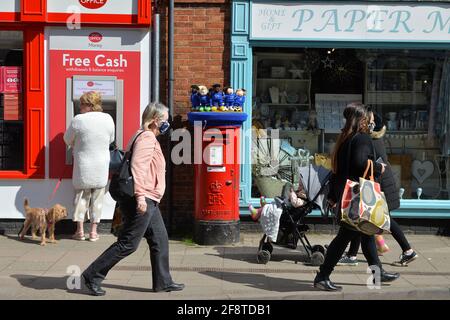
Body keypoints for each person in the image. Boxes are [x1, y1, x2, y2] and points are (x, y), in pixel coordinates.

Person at [81, 102, 184, 296]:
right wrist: (141, 197)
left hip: (149, 197)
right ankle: (91, 275)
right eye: (165, 119)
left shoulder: (143, 135)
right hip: (143, 197)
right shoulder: (147, 138)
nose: (167, 123)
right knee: (128, 243)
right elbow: (138, 168)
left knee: (160, 239)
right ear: (155, 120)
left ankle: (163, 281)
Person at [313, 103, 400, 291]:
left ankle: (378, 274)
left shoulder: (345, 138)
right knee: (344, 238)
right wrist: (379, 168)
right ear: (362, 120)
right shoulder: (362, 139)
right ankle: (322, 275)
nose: (371, 123)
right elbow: (360, 163)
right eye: (369, 120)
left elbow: (339, 170)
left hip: (347, 194)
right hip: (357, 197)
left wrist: (334, 196)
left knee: (367, 233)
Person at [337, 112, 418, 267]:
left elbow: (368, 165)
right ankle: (353, 255)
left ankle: (407, 251)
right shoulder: (376, 139)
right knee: (362, 220)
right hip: (381, 185)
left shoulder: (369, 141)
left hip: (377, 186)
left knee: (376, 219)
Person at [64, 91, 115, 242]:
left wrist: (76, 143)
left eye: (82, 104)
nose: (80, 107)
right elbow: (111, 139)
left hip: (83, 165)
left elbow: (67, 139)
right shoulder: (108, 118)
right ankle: (93, 232)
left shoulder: (78, 120)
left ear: (90, 105)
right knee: (98, 199)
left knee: (81, 199)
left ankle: (80, 231)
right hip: (101, 164)